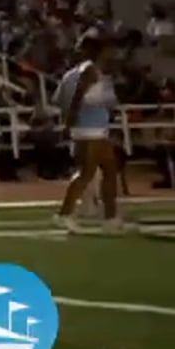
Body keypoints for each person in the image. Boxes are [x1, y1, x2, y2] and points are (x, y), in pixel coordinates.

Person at [53, 32, 129, 231]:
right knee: (86, 172)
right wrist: (70, 122)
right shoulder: (89, 70)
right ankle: (64, 214)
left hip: (93, 128)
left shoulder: (72, 73)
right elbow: (78, 97)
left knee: (110, 171)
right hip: (89, 128)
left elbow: (59, 100)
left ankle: (111, 218)